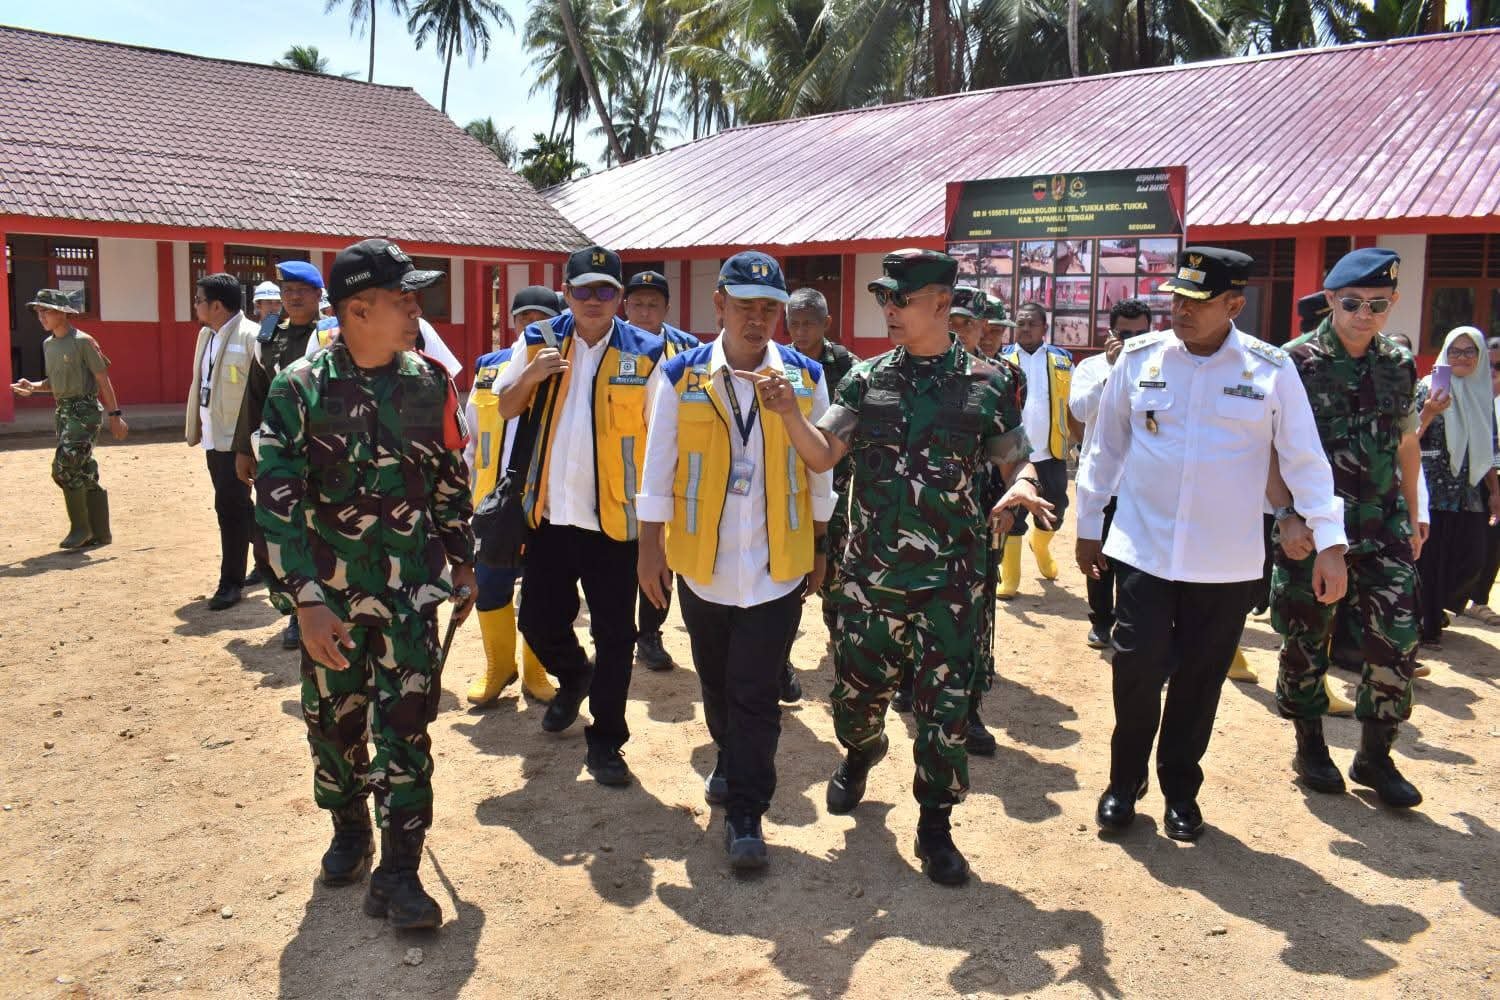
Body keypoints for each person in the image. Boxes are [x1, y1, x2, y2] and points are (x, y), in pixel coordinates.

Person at [768, 248, 1051, 885]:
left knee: (944, 709)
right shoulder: (864, 380)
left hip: (950, 584)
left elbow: (1017, 458)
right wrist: (790, 413)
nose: (888, 310)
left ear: (941, 306)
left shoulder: (989, 383)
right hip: (868, 581)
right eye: (884, 299)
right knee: (855, 703)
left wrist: (1023, 486)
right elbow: (821, 457)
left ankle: (935, 823)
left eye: (900, 299)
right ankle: (862, 752)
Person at [1077, 246, 1348, 842]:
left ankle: (1179, 788)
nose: (1181, 310)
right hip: (1143, 551)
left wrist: (1329, 542)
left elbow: (1305, 459)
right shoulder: (1142, 359)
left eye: (1198, 301)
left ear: (1234, 304)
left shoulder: (1270, 369)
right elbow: (1106, 446)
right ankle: (1124, 783)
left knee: (1200, 681)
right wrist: (1089, 525)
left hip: (1224, 564)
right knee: (1137, 671)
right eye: (1176, 297)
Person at [255, 238, 475, 930]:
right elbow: (277, 503)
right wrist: (308, 602)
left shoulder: (429, 383)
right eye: (401, 298)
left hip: (410, 597)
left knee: (408, 728)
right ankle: (349, 826)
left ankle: (400, 871)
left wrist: (463, 561)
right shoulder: (299, 390)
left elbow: (448, 483)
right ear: (356, 309)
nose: (416, 309)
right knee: (336, 727)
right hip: (335, 604)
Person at [637, 252, 833, 869]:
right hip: (703, 562)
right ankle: (726, 754)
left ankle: (747, 812)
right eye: (745, 305)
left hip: (776, 564)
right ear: (718, 304)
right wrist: (649, 550)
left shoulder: (804, 376)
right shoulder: (678, 375)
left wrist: (822, 545)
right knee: (717, 683)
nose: (758, 319)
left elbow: (820, 467)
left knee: (755, 692)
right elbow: (657, 465)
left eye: (769, 308)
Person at [495, 245, 665, 787]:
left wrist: (657, 529)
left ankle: (608, 741)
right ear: (565, 292)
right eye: (583, 290)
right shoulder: (538, 339)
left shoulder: (647, 351)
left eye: (605, 290)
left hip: (616, 521)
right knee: (538, 621)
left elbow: (661, 440)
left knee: (617, 635)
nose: (594, 300)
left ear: (620, 297)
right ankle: (574, 678)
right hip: (550, 514)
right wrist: (531, 376)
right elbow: (504, 405)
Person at [1269, 247, 1427, 809]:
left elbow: (1406, 441)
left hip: (1383, 524)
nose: (1365, 314)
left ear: (1393, 305)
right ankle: (1309, 744)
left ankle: (1375, 756)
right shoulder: (1293, 361)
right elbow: (1267, 450)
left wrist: (1415, 510)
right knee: (1306, 638)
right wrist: (1285, 516)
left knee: (1399, 641)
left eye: (1378, 305)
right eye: (1354, 302)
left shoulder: (1399, 363)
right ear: (1332, 299)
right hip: (1313, 529)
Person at [462, 286, 562, 707]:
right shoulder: (488, 367)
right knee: (490, 583)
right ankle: (499, 665)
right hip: (493, 501)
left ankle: (536, 670)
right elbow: (473, 435)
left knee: (543, 589)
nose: (529, 326)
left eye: (540, 318)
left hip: (547, 500)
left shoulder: (568, 366)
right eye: (522, 318)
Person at [231, 261, 328, 647]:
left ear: (319, 295)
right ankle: (292, 610)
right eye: (287, 291)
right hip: (277, 452)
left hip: (322, 452)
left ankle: (322, 603)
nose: (293, 297)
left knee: (319, 530)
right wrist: (242, 449)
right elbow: (255, 393)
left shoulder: (333, 334)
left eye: (302, 290)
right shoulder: (269, 336)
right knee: (275, 531)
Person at [621, 269, 701, 673]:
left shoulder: (688, 349)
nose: (645, 311)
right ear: (625, 305)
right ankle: (617, 631)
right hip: (618, 467)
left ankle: (650, 634)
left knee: (662, 551)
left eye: (654, 304)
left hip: (670, 465)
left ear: (667, 307)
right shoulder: (611, 344)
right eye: (637, 303)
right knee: (619, 554)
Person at [10, 288, 128, 547]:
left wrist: (115, 415)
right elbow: (54, 382)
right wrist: (34, 387)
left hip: (84, 410)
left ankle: (80, 529)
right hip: (63, 411)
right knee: (83, 470)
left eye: (46, 311)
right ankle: (100, 533)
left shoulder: (83, 341)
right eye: (38, 312)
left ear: (63, 313)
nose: (41, 317)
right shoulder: (49, 344)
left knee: (64, 467)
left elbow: (102, 379)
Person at [783, 286, 856, 703]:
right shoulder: (778, 363)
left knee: (835, 576)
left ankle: (843, 654)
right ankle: (781, 661)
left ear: (826, 323)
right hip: (787, 488)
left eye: (809, 322)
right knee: (787, 578)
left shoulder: (848, 366)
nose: (800, 330)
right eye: (793, 321)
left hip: (837, 489)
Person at [1067, 299, 1152, 650]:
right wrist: (1114, 372)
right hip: (1101, 481)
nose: (1132, 340)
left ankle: (1130, 621)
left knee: (1135, 558)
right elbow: (1081, 410)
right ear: (1111, 333)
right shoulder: (1090, 367)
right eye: (1125, 333)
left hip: (1142, 481)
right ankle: (1101, 620)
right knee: (1097, 553)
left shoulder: (1160, 366)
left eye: (1140, 334)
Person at [1413, 326, 1500, 647]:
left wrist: (1494, 491)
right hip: (1432, 484)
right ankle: (1427, 621)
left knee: (1471, 558)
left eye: (1469, 351)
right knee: (1431, 558)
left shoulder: (1481, 395)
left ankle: (1431, 608)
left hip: (1468, 490)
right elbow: (1408, 437)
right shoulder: (1427, 387)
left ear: (1479, 356)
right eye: (1455, 351)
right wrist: (1429, 411)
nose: (1462, 357)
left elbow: (1488, 447)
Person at [186, 273, 259, 610]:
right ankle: (269, 561)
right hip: (213, 437)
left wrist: (249, 443)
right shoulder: (206, 336)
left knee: (229, 509)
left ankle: (230, 583)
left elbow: (259, 393)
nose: (195, 305)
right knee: (239, 506)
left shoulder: (251, 337)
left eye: (199, 299)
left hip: (236, 441)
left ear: (217, 305)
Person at [998, 302, 1073, 598]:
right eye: (1020, 323)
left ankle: (1040, 547)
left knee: (1056, 511)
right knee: (1011, 514)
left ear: (1044, 327)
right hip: (1013, 456)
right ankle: (1011, 578)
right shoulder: (1003, 360)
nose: (1025, 328)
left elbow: (1073, 406)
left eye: (1031, 323)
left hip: (1050, 453)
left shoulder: (1063, 360)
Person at [1462, 336, 1500, 625]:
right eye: (1491, 365)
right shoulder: (1474, 398)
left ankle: (1480, 600)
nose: (1494, 373)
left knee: (1493, 544)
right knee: (1473, 544)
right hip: (1473, 480)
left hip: (1494, 480)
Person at [949, 285, 987, 356]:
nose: (958, 332)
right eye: (949, 322)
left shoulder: (992, 367)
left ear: (983, 325)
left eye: (968, 323)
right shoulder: (924, 365)